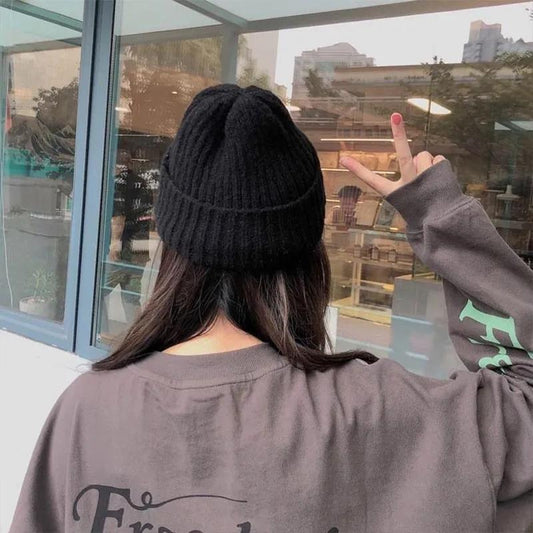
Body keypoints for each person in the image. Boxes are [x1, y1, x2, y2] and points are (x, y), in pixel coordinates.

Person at [10, 85, 533, 533]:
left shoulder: (88, 410)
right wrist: (439, 215)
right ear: (310, 257)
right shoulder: (375, 410)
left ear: (170, 249)